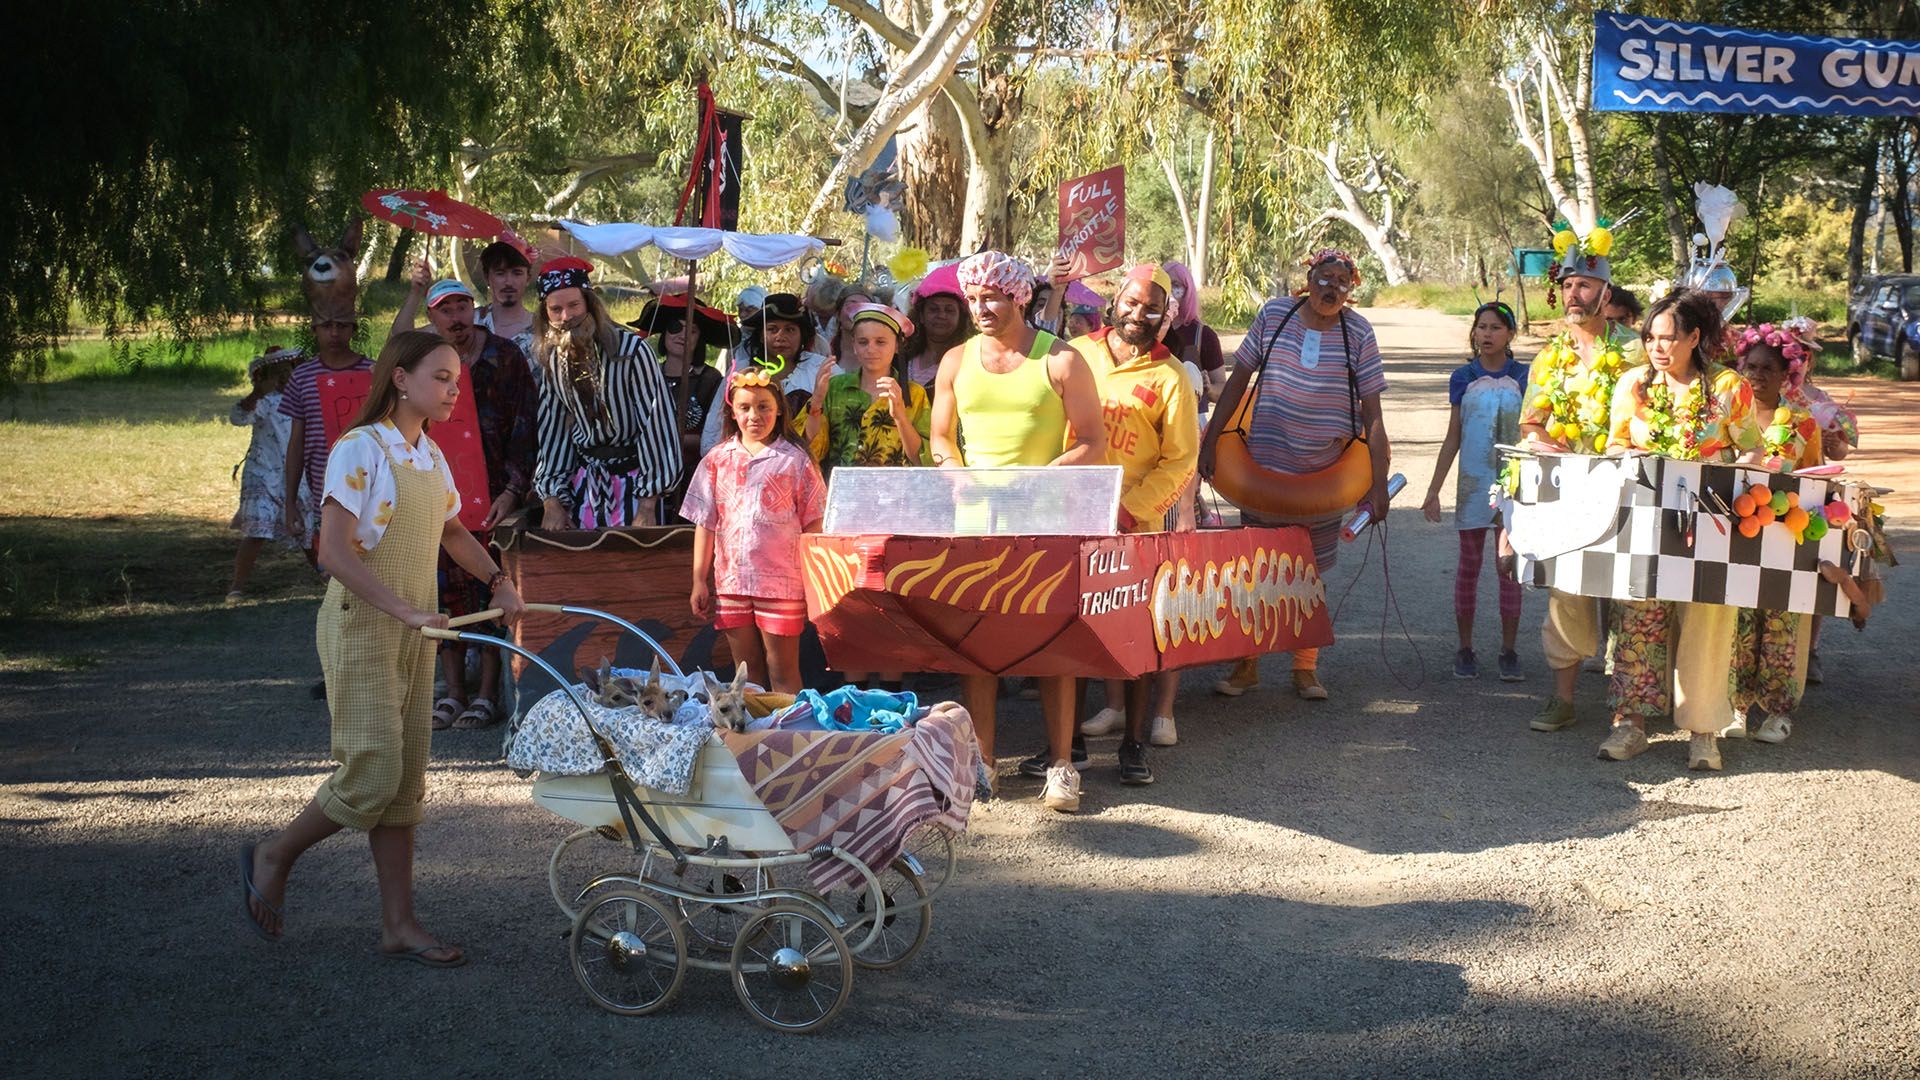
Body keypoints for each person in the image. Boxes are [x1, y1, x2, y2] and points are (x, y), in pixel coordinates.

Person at [240, 329, 526, 963]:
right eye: (442, 377)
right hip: (362, 625)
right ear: (400, 378)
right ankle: (274, 852)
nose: (455, 389)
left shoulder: (429, 454)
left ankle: (399, 924)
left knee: (404, 785)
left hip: (414, 631)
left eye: (458, 378)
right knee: (370, 772)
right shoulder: (358, 449)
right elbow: (333, 553)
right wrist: (402, 609)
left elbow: (454, 532)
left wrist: (499, 581)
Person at [929, 250, 1105, 811]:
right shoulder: (955, 361)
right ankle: (982, 765)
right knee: (974, 642)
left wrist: (1047, 476)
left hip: (1046, 521)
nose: (980, 308)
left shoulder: (1061, 359)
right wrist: (953, 471)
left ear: (1019, 297)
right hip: (974, 523)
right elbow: (940, 439)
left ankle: (1061, 766)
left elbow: (1093, 441)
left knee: (1052, 641)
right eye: (973, 299)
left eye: (992, 298)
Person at [1199, 248, 1392, 702]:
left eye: (1342, 282)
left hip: (1323, 474)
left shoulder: (1358, 333)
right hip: (1262, 467)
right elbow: (1238, 381)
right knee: (1254, 570)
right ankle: (1246, 663)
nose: (1332, 289)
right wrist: (1210, 442)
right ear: (1308, 278)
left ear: (1351, 288)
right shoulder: (1274, 316)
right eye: (1325, 278)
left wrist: (1379, 485)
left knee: (1310, 575)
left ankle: (1305, 667)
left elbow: (1374, 415)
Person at [1601, 290, 1760, 770]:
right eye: (1650, 337)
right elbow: (1613, 445)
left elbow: (1753, 452)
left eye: (1669, 338)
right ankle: (1630, 725)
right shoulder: (1633, 385)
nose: (1657, 348)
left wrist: (1730, 485)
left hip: (1710, 525)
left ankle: (1704, 731)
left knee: (1707, 623)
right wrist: (1626, 456)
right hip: (1646, 523)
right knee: (1635, 622)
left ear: (1695, 337)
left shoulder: (1730, 388)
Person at [1051, 264, 1197, 787]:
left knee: (1136, 637)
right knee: (1070, 630)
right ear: (1114, 302)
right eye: (1132, 303)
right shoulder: (1075, 352)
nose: (1139, 313)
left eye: (1151, 306)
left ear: (1166, 315)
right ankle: (1069, 746)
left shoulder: (1172, 375)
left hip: (1136, 523)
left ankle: (1134, 745)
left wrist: (1131, 510)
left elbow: (1180, 461)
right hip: (1071, 516)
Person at [1517, 226, 1646, 734]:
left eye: (1585, 286)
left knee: (1633, 596)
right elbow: (1531, 422)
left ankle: (1629, 707)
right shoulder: (1549, 359)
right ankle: (1563, 699)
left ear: (1605, 293)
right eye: (1569, 286)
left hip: (1634, 486)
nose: (1575, 295)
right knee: (1566, 591)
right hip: (1571, 490)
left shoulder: (1639, 352)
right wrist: (1540, 441)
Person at [420, 279, 539, 729]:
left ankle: (488, 693)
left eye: (463, 305)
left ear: (476, 309)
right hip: (436, 492)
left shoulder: (505, 357)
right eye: (445, 309)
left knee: (489, 586)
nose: (457, 317)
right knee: (441, 590)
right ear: (433, 318)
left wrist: (512, 491)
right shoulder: (423, 363)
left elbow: (526, 427)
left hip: (493, 495)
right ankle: (452, 691)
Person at [684, 367, 827, 694]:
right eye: (745, 407)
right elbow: (705, 523)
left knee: (783, 671)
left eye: (764, 406)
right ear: (732, 412)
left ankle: (789, 741)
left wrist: (814, 582)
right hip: (732, 582)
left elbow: (814, 524)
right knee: (746, 676)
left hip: (781, 583)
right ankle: (752, 741)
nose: (755, 415)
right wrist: (698, 580)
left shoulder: (795, 461)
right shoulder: (717, 459)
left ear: (779, 409)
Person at [1723, 322, 1824, 745]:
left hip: (1785, 543)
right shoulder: (1726, 417)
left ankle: (1779, 712)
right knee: (1739, 625)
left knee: (1782, 628)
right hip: (1737, 539)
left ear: (1788, 376)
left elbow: (1816, 480)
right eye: (1751, 366)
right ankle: (1736, 707)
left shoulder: (1803, 423)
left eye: (1768, 369)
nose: (1757, 376)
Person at [1421, 301, 1531, 681]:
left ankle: (1509, 651)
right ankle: (1464, 649)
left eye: (1495, 328)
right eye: (1481, 327)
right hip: (1473, 483)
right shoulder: (1462, 378)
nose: (1486, 334)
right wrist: (1433, 489)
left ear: (1511, 334)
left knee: (1509, 567)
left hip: (1514, 486)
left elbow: (1534, 434)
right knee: (1468, 568)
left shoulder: (1525, 377)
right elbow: (1453, 437)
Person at [531, 257, 682, 530]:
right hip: (587, 485)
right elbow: (553, 433)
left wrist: (648, 504)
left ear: (589, 303)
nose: (566, 316)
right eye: (556, 309)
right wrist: (552, 500)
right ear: (546, 315)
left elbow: (656, 423)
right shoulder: (553, 361)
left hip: (637, 484)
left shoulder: (633, 351)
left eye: (574, 305)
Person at [281, 313, 375, 558]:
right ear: (314, 330)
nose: (334, 333)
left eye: (342, 325)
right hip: (325, 487)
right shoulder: (301, 377)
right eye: (326, 326)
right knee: (334, 558)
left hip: (372, 483)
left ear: (353, 329)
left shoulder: (374, 373)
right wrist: (289, 502)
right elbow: (296, 443)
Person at [633, 293, 731, 517]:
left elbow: (716, 435)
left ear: (700, 339)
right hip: (645, 476)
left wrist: (673, 439)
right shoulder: (646, 374)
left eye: (692, 330)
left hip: (692, 478)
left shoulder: (710, 379)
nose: (683, 335)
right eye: (676, 327)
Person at [700, 292, 831, 455]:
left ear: (802, 335)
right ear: (761, 335)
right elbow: (716, 427)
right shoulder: (739, 371)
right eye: (772, 329)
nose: (780, 337)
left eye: (790, 330)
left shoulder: (820, 369)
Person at [805, 303, 930, 474]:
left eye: (881, 342)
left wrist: (900, 417)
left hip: (896, 496)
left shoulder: (915, 394)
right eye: (863, 342)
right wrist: (817, 402)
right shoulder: (834, 388)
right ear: (854, 345)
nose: (871, 349)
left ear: (897, 346)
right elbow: (808, 451)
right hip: (843, 494)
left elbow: (922, 460)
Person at [227, 347, 302, 602]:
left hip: (295, 474)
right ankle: (237, 586)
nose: (284, 378)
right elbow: (238, 417)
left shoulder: (302, 399)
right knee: (257, 531)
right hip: (264, 471)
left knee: (307, 528)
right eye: (277, 374)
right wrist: (257, 393)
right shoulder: (265, 403)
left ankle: (327, 575)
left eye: (288, 371)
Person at [902, 277, 974, 392]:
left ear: (960, 317)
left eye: (949, 310)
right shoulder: (901, 355)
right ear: (921, 316)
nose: (941, 315)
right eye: (934, 309)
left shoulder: (970, 360)